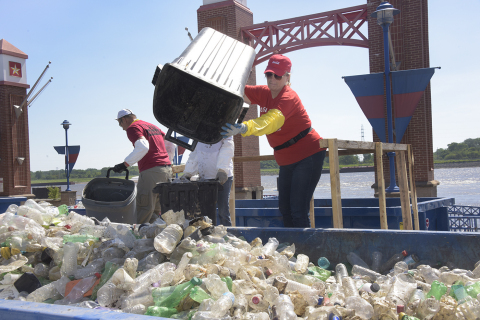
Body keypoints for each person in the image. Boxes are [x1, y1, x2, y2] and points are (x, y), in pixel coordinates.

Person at [221, 54, 326, 228]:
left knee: (298, 210)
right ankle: (292, 250)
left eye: (277, 75)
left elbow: (271, 122)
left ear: (287, 77)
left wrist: (245, 128)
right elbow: (238, 91)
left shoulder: (289, 97)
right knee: (284, 208)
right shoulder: (264, 93)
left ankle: (304, 251)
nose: (272, 79)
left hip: (308, 154)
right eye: (269, 74)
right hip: (286, 158)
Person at [113, 109, 173, 224]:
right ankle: (153, 236)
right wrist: (167, 160)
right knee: (156, 210)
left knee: (144, 208)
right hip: (166, 170)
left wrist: (125, 164)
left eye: (120, 123)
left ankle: (137, 237)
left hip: (151, 171)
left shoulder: (132, 128)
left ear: (124, 120)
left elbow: (143, 147)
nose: (121, 127)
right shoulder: (151, 126)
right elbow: (169, 143)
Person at [180, 137, 234, 226]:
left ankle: (227, 234)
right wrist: (188, 173)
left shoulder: (224, 129)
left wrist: (222, 169)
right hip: (205, 177)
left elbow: (228, 148)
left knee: (223, 210)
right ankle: (208, 234)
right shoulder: (199, 132)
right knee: (205, 211)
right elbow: (195, 153)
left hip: (223, 176)